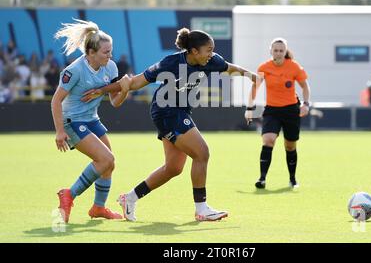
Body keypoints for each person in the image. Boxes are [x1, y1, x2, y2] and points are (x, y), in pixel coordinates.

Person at [82, 28, 259, 222]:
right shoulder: (171, 63)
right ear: (193, 51)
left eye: (212, 50)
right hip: (166, 112)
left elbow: (228, 67)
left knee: (174, 168)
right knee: (202, 153)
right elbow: (134, 83)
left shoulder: (211, 60)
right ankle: (201, 209)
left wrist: (250, 75)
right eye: (208, 50)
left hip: (180, 112)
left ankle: (129, 198)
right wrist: (101, 90)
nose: (212, 54)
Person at [51, 19, 131, 223]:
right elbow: (56, 100)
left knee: (109, 164)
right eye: (106, 52)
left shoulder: (110, 67)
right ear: (91, 53)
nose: (110, 56)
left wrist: (124, 89)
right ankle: (69, 194)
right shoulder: (75, 70)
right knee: (105, 159)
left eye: (110, 51)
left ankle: (98, 208)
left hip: (92, 119)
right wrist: (60, 131)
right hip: (73, 121)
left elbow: (115, 102)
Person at [245, 37, 311, 189]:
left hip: (291, 110)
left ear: (285, 51)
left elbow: (305, 86)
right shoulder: (264, 67)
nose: (279, 53)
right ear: (271, 51)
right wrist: (249, 108)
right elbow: (255, 88)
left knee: (290, 146)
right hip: (272, 110)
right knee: (268, 140)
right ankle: (262, 179)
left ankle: (292, 179)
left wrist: (306, 104)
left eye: (281, 50)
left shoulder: (294, 67)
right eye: (276, 50)